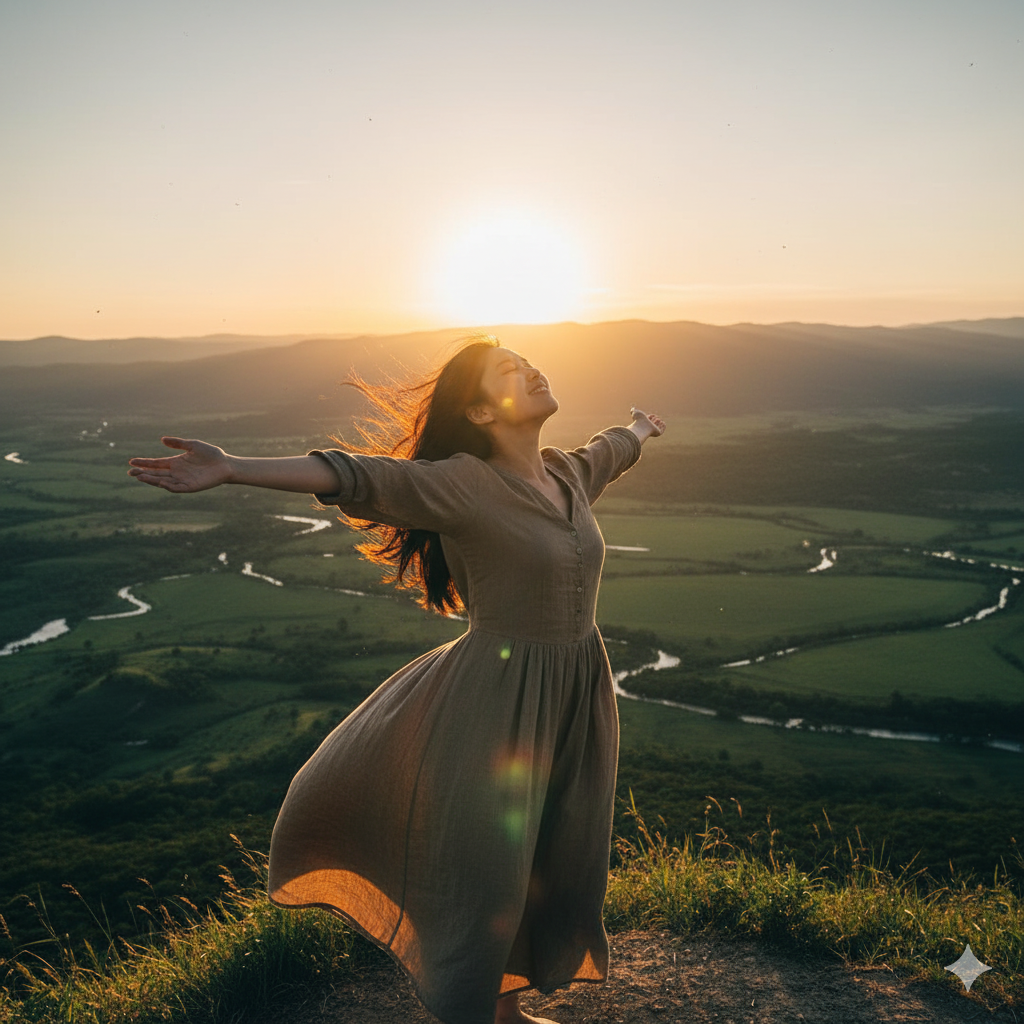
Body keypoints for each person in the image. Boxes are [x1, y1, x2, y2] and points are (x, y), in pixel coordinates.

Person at [127, 337, 665, 1024]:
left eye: (526, 361)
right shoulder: (462, 484)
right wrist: (232, 469)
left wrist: (639, 430)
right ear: (477, 412)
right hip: (495, 702)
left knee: (550, 852)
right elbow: (355, 476)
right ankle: (468, 1007)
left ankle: (506, 1010)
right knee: (491, 867)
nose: (530, 370)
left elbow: (608, 453)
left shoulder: (564, 475)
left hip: (574, 695)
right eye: (509, 372)